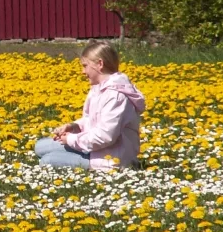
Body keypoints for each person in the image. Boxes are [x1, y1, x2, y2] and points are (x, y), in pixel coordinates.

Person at [34, 41, 146, 169]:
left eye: (85, 66)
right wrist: (74, 127)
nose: (82, 71)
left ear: (99, 64)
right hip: (95, 149)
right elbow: (90, 120)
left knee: (47, 160)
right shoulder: (98, 89)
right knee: (40, 146)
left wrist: (71, 140)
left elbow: (106, 136)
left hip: (111, 159)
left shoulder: (116, 96)